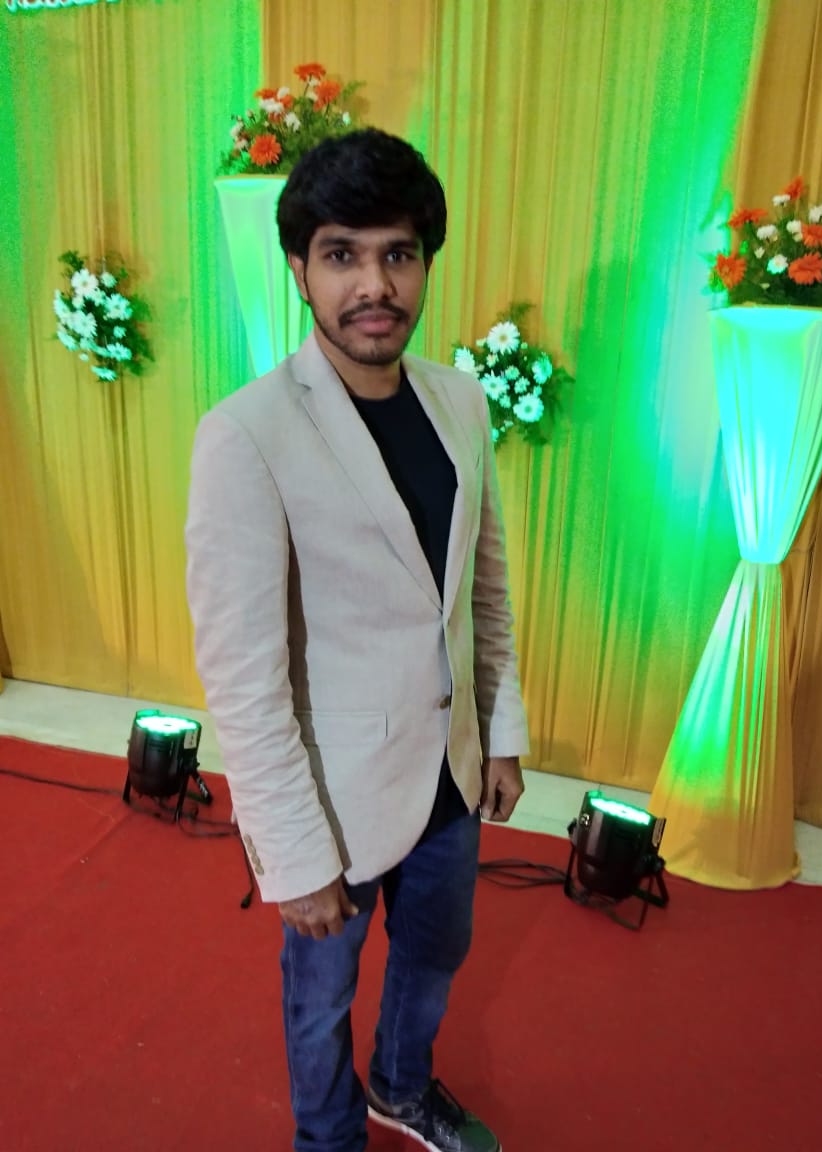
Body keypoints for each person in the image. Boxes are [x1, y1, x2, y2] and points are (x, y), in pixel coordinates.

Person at [185, 128, 529, 1152]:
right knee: (319, 998)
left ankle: (401, 1087)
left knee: (436, 955)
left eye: (398, 254)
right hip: (331, 796)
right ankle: (328, 1139)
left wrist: (500, 732)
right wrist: (290, 855)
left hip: (450, 774)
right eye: (343, 254)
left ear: (424, 262)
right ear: (300, 269)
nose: (375, 284)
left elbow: (484, 589)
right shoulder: (246, 435)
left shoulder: (459, 401)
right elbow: (243, 677)